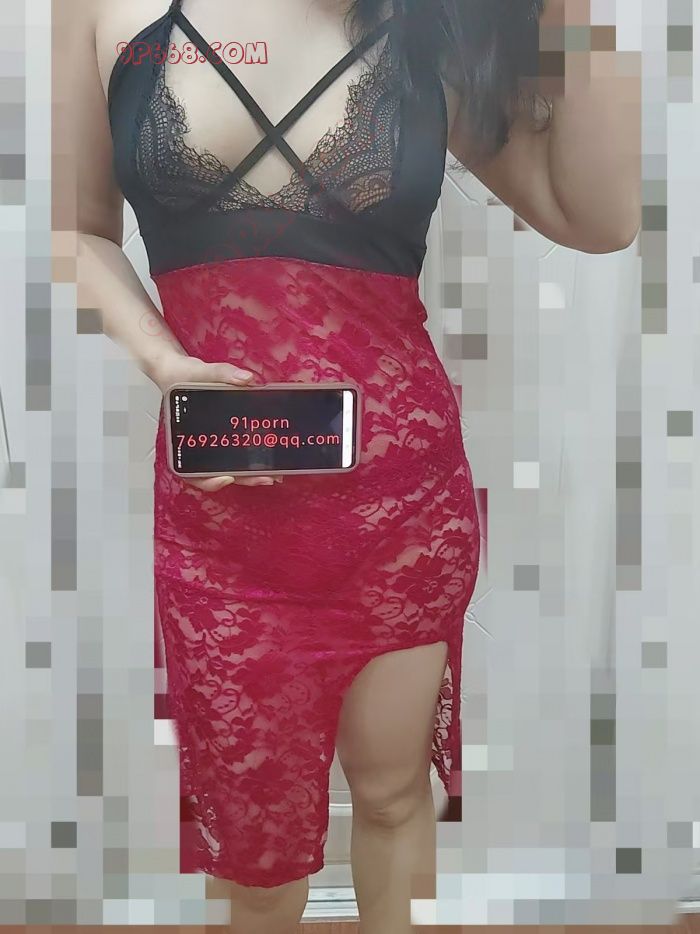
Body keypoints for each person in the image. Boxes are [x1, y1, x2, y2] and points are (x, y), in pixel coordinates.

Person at [61, 0, 640, 930]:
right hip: (221, 518)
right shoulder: (99, 11)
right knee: (257, 860)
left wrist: (581, 12)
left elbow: (601, 218)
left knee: (394, 794)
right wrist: (163, 361)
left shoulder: (426, 28)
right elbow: (75, 229)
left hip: (401, 503)